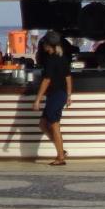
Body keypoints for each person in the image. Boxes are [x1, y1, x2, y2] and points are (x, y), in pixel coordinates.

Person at [33, 30, 72, 166]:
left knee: (54, 126)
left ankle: (60, 157)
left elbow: (46, 80)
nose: (43, 45)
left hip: (56, 95)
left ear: (48, 45)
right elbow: (68, 77)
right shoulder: (62, 57)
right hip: (59, 94)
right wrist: (69, 95)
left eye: (44, 43)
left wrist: (38, 99)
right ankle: (61, 150)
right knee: (43, 124)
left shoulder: (50, 59)